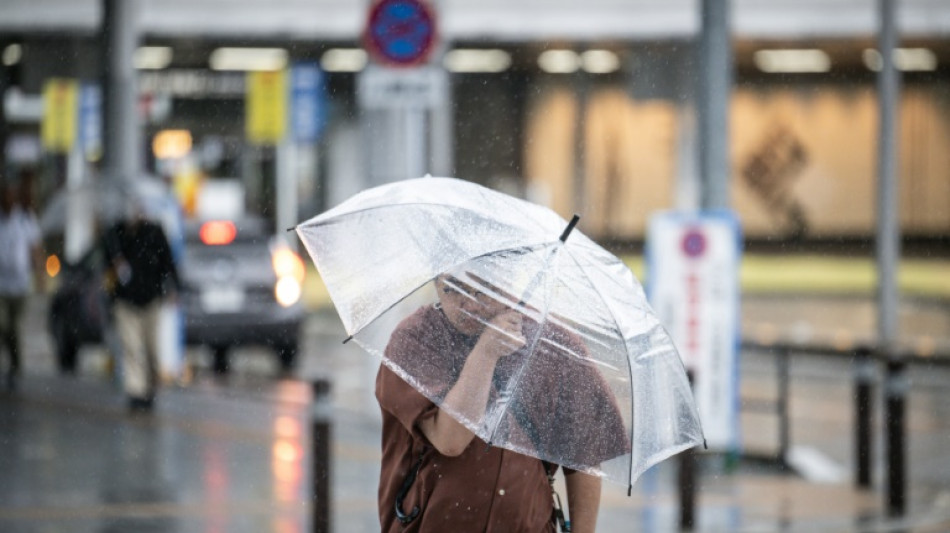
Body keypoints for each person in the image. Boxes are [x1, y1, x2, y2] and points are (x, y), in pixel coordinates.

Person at [375, 273, 627, 532]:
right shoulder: (415, 339)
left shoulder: (556, 344)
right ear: (436, 284)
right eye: (452, 289)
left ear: (508, 280)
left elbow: (582, 458)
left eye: (483, 289)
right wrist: (486, 353)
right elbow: (450, 440)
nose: (469, 304)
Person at [102, 197, 180, 412]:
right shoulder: (114, 235)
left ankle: (150, 386)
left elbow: (168, 263)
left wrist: (173, 288)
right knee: (132, 347)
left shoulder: (154, 233)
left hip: (151, 299)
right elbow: (105, 266)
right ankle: (136, 391)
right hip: (125, 302)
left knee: (151, 348)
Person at [0, 181, 45, 389]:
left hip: (19, 284)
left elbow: (35, 249)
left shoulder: (26, 219)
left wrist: (40, 277)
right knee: (3, 324)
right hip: (1, 284)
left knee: (14, 327)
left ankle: (15, 368)